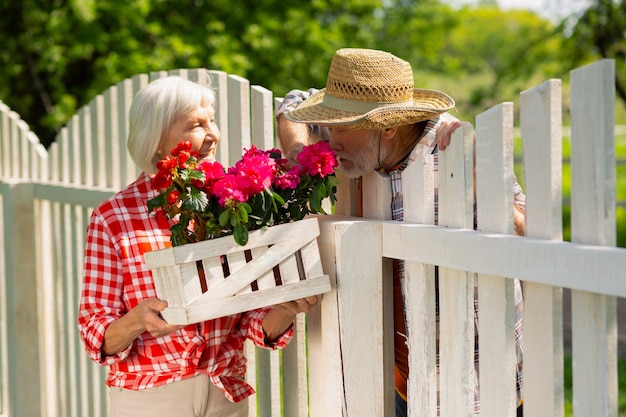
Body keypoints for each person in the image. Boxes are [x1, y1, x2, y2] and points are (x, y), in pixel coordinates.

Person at [276, 48, 525, 417]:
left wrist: (483, 183)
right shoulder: (365, 137)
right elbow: (292, 101)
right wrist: (297, 149)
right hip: (393, 379)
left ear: (389, 126)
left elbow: (527, 240)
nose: (331, 140)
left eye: (342, 127)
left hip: (475, 386)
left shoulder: (456, 151)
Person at [77, 76, 318, 417]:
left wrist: (285, 308)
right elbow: (95, 334)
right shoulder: (113, 218)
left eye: (212, 121)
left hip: (225, 394)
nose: (213, 135)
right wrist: (137, 320)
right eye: (196, 125)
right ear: (158, 141)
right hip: (150, 400)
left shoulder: (230, 206)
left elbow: (251, 317)